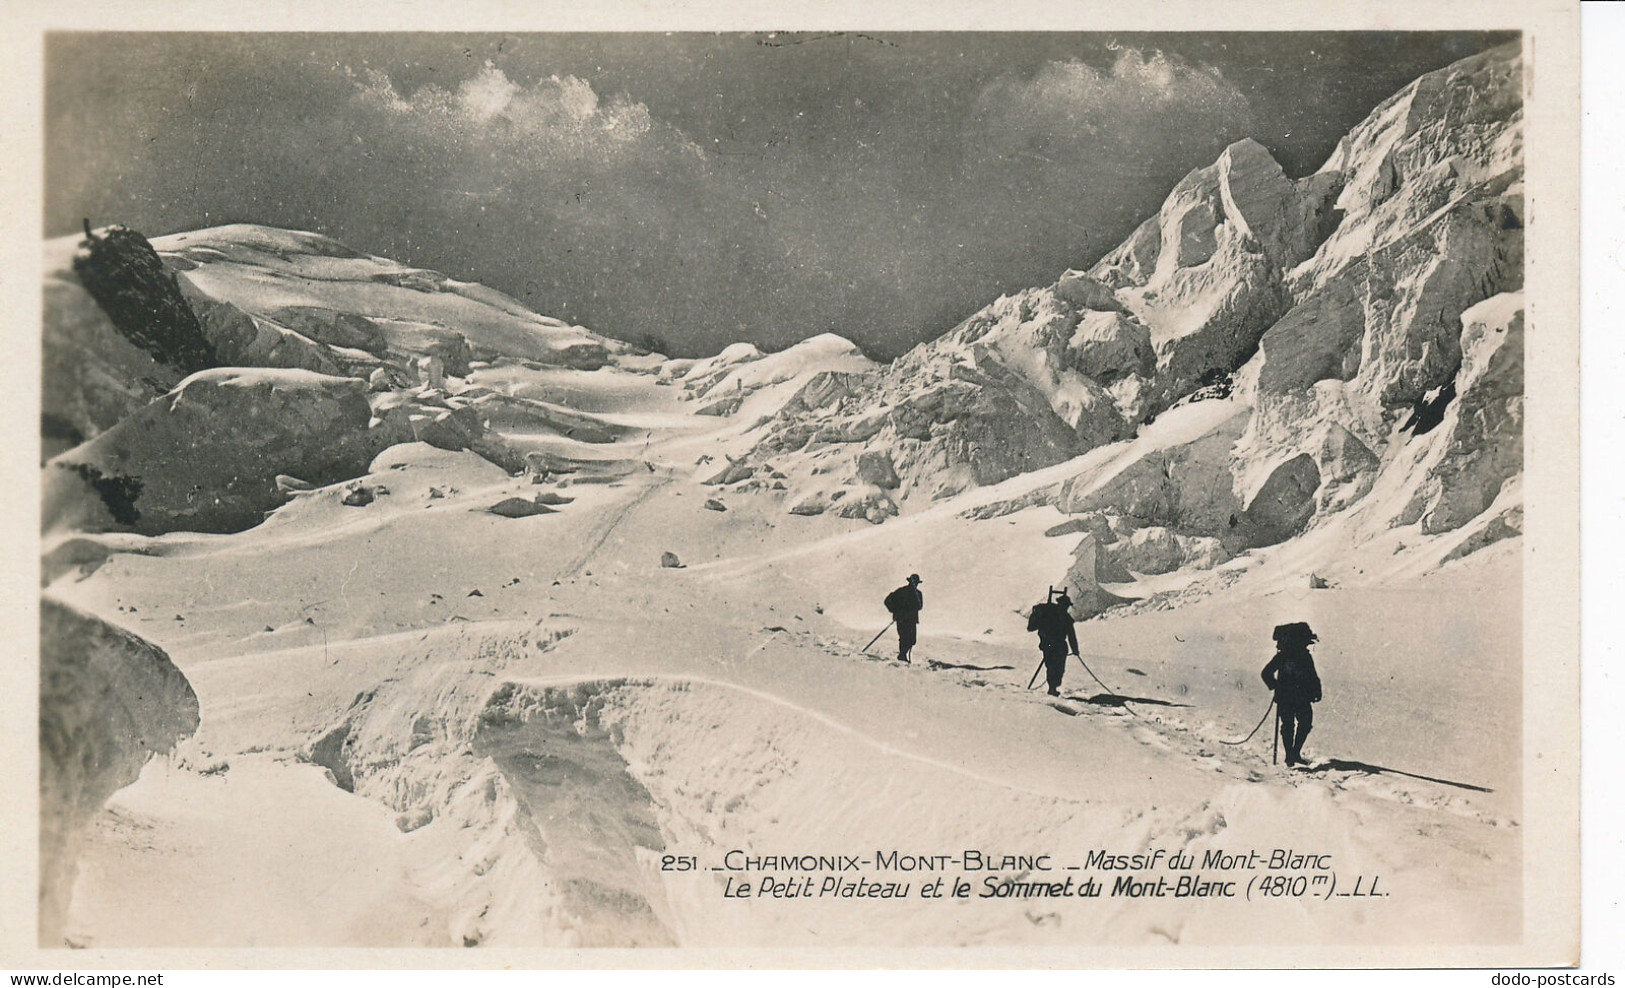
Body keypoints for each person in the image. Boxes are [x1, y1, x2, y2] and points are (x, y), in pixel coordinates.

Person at [1261, 622, 1323, 767]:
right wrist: (1276, 686)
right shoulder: (1286, 657)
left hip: (1295, 697)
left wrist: (1316, 690)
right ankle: (1291, 754)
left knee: (1302, 724)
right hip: (1291, 697)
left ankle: (1293, 753)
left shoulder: (1301, 657)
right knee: (1292, 725)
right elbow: (1266, 673)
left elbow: (1312, 676)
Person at [1027, 589, 1080, 696]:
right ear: (1060, 604)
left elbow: (1071, 635)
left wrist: (1075, 649)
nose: (1066, 608)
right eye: (1065, 605)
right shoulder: (1049, 614)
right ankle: (1052, 688)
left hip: (1058, 646)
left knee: (1059, 668)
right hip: (1050, 645)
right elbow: (1039, 628)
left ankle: (1053, 687)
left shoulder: (1065, 618)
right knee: (1052, 667)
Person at [883, 574, 924, 664]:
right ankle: (902, 656)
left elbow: (920, 607)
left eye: (916, 583)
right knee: (904, 638)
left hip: (911, 620)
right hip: (901, 619)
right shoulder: (901, 591)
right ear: (909, 582)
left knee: (912, 640)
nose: (915, 585)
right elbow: (887, 601)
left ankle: (902, 655)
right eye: (914, 583)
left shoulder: (918, 594)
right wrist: (894, 611)